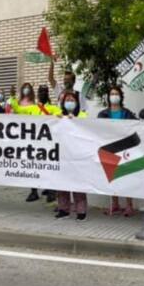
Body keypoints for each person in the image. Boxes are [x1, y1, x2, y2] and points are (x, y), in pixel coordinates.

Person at [98, 86, 138, 217]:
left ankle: (129, 205)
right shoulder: (103, 114)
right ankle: (115, 204)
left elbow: (134, 127)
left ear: (120, 97)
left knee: (126, 177)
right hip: (109, 148)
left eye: (116, 93)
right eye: (112, 93)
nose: (114, 96)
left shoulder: (127, 113)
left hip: (124, 148)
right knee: (112, 177)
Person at [55, 91, 89, 220]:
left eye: (72, 100)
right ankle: (64, 209)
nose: (69, 102)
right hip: (62, 153)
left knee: (78, 182)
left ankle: (81, 210)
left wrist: (76, 121)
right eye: (67, 100)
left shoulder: (83, 115)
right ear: (63, 103)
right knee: (61, 183)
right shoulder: (58, 116)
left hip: (77, 155)